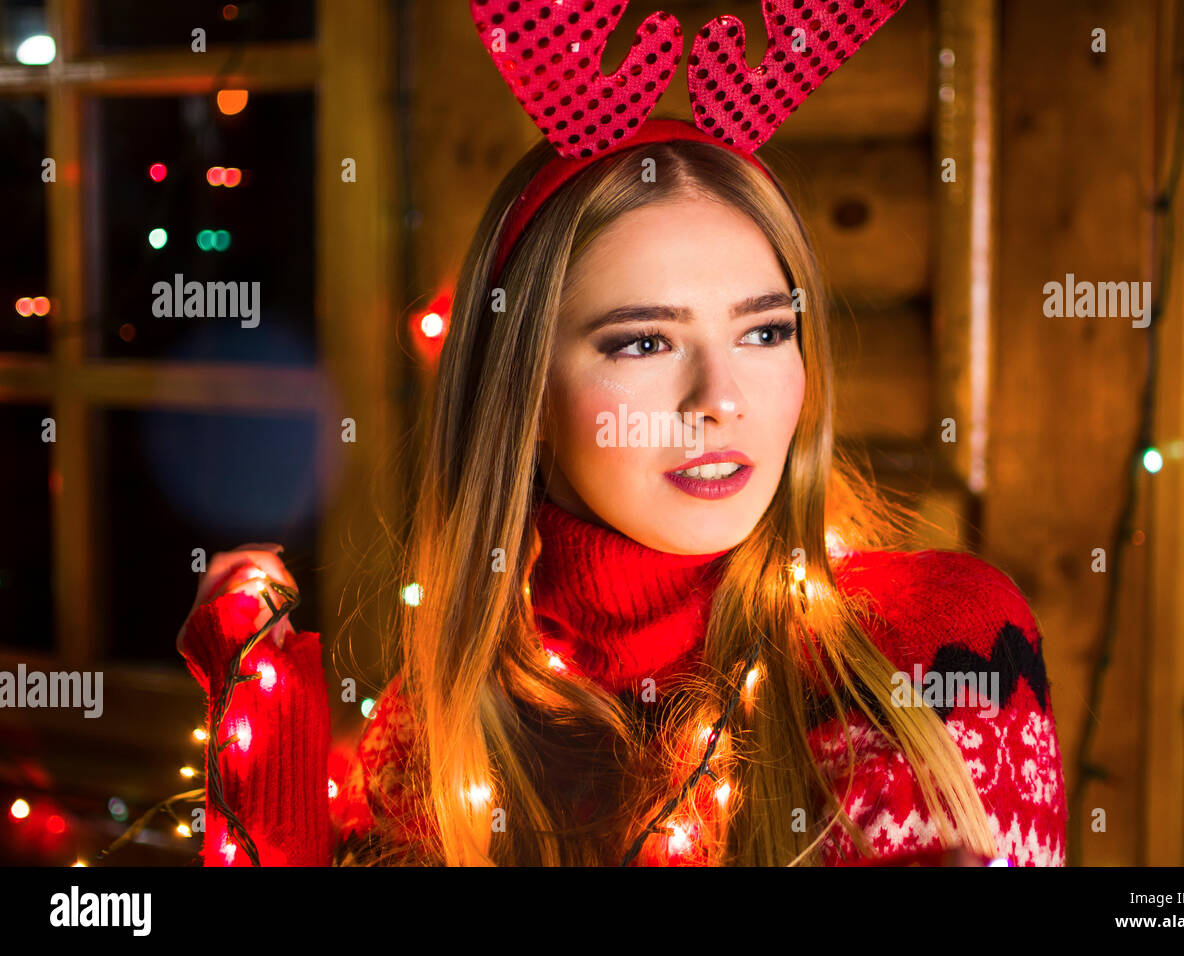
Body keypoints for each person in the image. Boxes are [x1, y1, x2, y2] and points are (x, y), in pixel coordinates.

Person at [176, 117, 1067, 867]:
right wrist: (264, 742)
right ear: (521, 395)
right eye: (643, 342)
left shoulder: (934, 653)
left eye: (765, 330)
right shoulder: (434, 731)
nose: (721, 399)